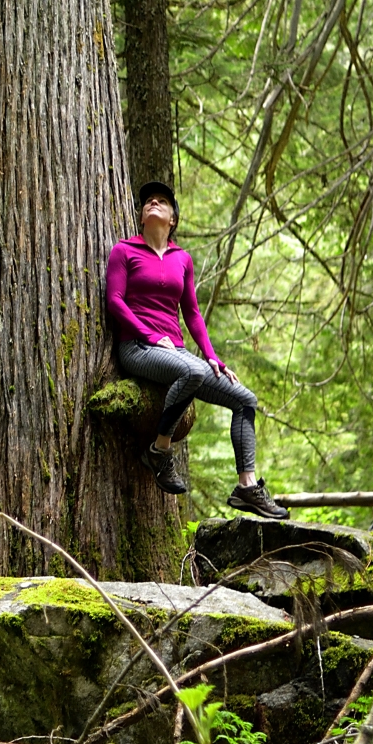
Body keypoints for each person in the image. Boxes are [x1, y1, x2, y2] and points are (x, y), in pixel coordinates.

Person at [105, 181, 288, 519]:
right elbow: (114, 301)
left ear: (172, 219)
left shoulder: (182, 259)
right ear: (142, 217)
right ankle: (159, 451)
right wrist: (147, 333)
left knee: (244, 399)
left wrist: (213, 356)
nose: (153, 204)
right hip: (137, 348)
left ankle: (246, 486)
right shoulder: (124, 251)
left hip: (178, 354)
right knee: (192, 370)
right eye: (148, 202)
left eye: (161, 201)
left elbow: (191, 313)